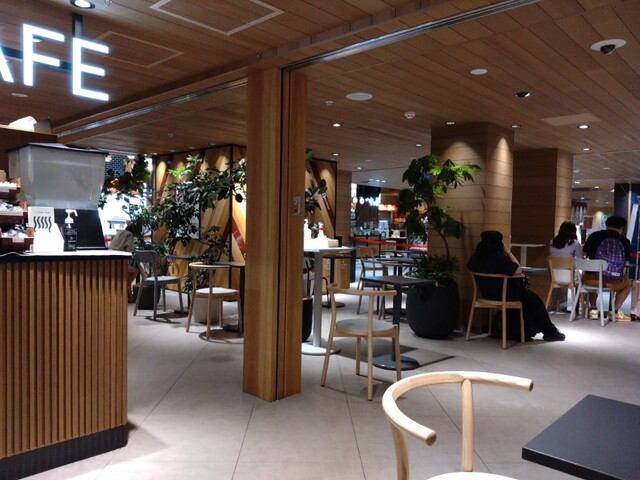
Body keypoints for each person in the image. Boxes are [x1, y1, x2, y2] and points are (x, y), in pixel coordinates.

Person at [467, 230, 565, 341]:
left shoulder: (475, 259)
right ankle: (550, 331)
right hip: (505, 294)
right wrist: (508, 252)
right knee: (535, 301)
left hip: (486, 294)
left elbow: (470, 266)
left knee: (529, 300)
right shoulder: (499, 259)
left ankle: (523, 330)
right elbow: (518, 270)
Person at [583, 215, 632, 320]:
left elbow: (584, 254)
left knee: (590, 273)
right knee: (628, 283)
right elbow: (626, 262)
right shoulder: (624, 241)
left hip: (591, 280)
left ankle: (593, 309)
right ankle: (614, 311)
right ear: (622, 228)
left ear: (606, 225)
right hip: (613, 281)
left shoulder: (593, 236)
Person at [548, 221, 583, 311]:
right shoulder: (575, 244)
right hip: (569, 277)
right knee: (582, 278)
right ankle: (579, 306)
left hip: (555, 276)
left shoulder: (552, 242)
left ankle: (555, 305)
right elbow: (580, 261)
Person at [109, 224, 139, 296]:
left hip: (109, 262)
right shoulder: (129, 234)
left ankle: (122, 289)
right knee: (136, 271)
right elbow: (129, 250)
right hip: (119, 263)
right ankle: (125, 288)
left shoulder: (119, 232)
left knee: (127, 270)